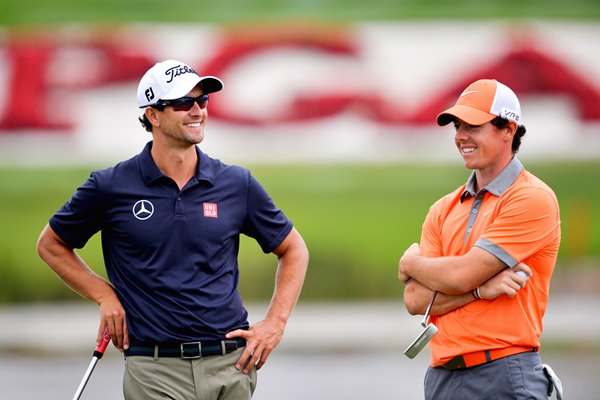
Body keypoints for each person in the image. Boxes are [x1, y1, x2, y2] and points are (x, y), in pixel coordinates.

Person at [37, 59, 309, 399]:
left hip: (231, 366)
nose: (197, 110)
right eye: (183, 103)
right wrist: (104, 295)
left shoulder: (236, 183)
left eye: (202, 101)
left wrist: (275, 324)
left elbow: (294, 249)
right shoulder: (110, 186)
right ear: (153, 115)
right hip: (154, 369)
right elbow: (51, 244)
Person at [398, 79, 562, 399]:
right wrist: (480, 290)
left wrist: (413, 263)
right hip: (441, 379)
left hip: (504, 373)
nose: (461, 136)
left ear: (508, 130)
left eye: (473, 125)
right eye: (458, 126)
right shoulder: (442, 208)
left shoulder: (531, 198)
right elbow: (415, 300)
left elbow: (460, 275)